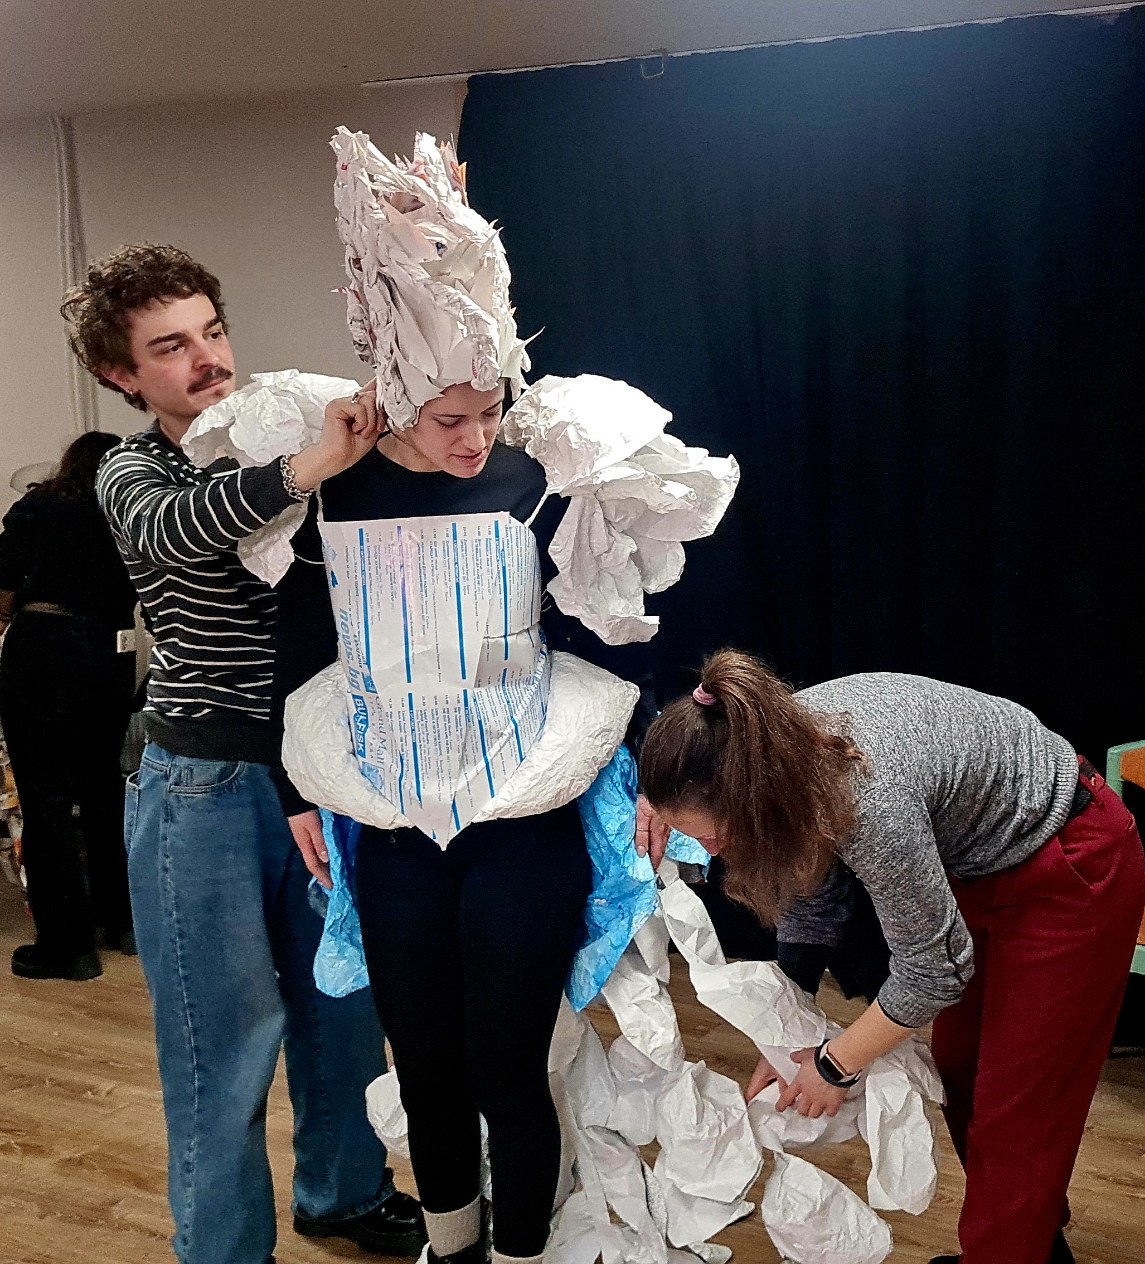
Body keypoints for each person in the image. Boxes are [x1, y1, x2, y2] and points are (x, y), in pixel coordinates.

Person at [265, 129, 736, 1264]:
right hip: (394, 823)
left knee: (508, 1070)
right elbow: (299, 642)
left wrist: (657, 780)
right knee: (426, 1070)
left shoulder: (538, 474)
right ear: (398, 398)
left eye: (488, 411)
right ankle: (453, 1248)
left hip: (522, 817)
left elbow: (614, 628)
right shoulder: (335, 492)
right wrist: (295, 790)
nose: (476, 437)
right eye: (449, 419)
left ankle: (521, 1254)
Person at [66, 243, 424, 1264]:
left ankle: (345, 1192)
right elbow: (183, 529)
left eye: (212, 331)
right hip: (201, 785)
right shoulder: (134, 471)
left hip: (320, 772)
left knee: (343, 1003)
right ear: (123, 375)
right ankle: (225, 1251)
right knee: (219, 1040)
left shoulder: (286, 427)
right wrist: (312, 467)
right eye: (170, 347)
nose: (207, 359)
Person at [638, 651, 1145, 1264]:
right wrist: (787, 1026)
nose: (712, 850)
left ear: (752, 798)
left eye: (711, 834)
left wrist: (833, 1066)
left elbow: (934, 973)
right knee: (963, 1072)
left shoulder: (867, 799)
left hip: (1070, 862)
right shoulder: (763, 745)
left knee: (1017, 1112)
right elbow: (813, 887)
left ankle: (1009, 1248)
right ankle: (1033, 1246)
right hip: (983, 861)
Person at [0, 430, 139, 979]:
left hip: (46, 648)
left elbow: (2, 585)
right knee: (105, 788)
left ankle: (68, 947)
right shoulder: (133, 510)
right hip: (114, 652)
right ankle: (122, 921)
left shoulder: (42, 506)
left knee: (47, 799)